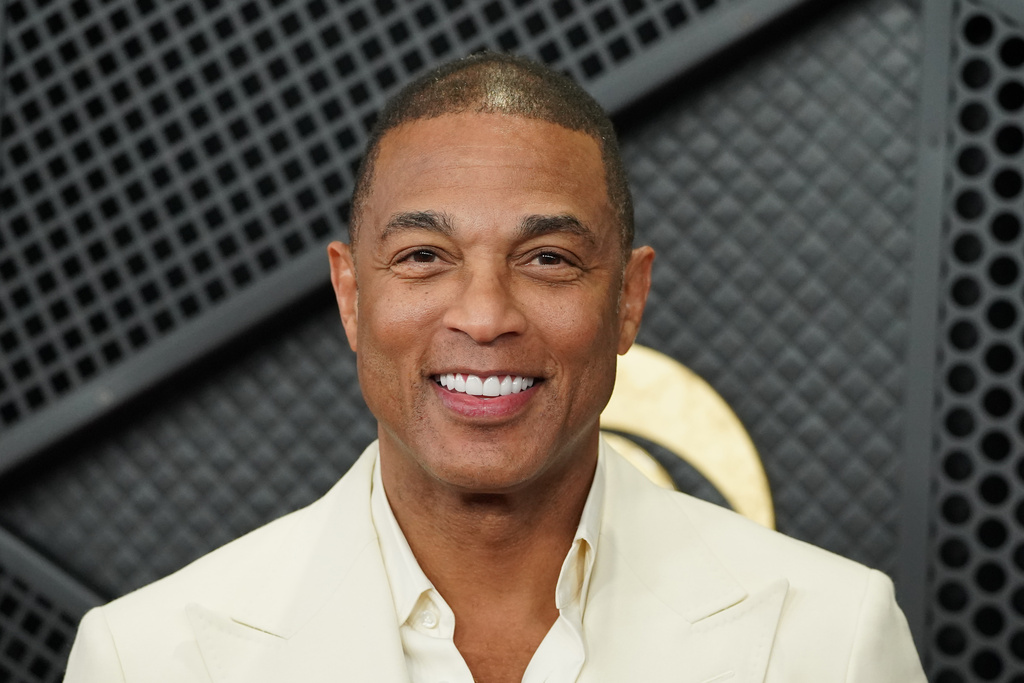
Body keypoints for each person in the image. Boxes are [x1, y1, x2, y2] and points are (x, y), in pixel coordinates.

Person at [64, 52, 926, 683]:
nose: (483, 314)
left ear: (628, 299)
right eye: (423, 256)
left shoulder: (831, 637)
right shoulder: (149, 656)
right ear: (351, 294)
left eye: (548, 258)